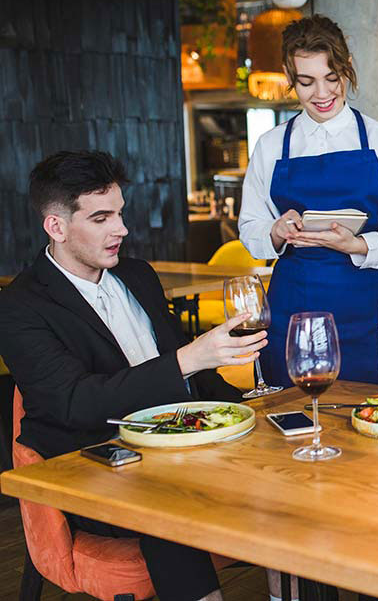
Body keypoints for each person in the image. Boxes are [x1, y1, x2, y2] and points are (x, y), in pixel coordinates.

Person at [0, 151, 263, 601]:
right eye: (101, 218)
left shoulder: (137, 275)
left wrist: (255, 405)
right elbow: (75, 402)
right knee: (165, 503)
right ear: (57, 227)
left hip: (185, 445)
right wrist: (188, 358)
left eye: (120, 214)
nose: (121, 229)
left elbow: (194, 383)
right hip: (96, 464)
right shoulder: (21, 306)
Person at [239, 15, 378, 388]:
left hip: (367, 307)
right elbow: (250, 227)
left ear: (347, 69)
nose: (321, 94)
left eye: (331, 78)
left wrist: (357, 244)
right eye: (306, 82)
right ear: (289, 76)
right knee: (293, 418)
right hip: (293, 307)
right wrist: (275, 231)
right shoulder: (271, 145)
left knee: (370, 416)